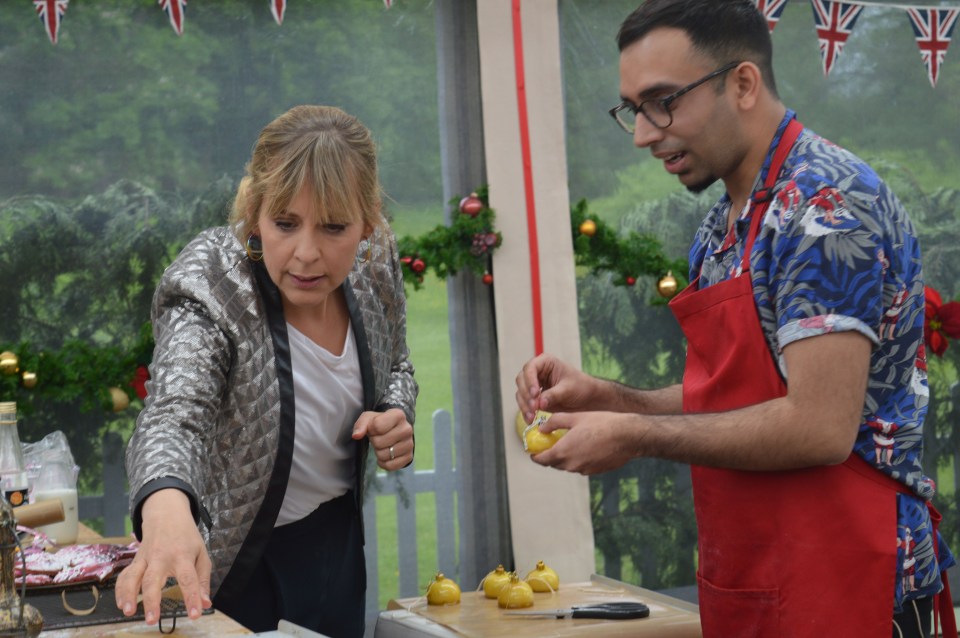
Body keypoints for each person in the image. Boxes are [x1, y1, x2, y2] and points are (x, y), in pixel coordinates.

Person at [515, 2, 955, 637]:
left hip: (851, 578)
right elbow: (742, 398)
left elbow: (818, 426)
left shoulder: (824, 209)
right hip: (762, 572)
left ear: (743, 84)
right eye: (632, 108)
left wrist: (635, 436)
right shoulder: (725, 225)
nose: (644, 132)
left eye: (663, 101)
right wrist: (610, 398)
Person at [115, 105, 417, 637]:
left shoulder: (377, 263)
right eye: (285, 223)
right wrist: (164, 505)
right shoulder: (212, 282)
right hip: (235, 567)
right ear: (254, 212)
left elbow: (398, 364)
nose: (306, 254)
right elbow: (174, 413)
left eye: (333, 227)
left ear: (368, 222)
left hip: (337, 550)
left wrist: (395, 410)